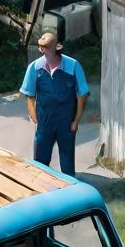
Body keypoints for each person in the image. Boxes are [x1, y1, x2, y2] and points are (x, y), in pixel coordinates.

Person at [20, 32, 90, 176]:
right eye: (41, 46)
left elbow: (82, 95)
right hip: (45, 122)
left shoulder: (73, 65)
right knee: (40, 164)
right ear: (40, 49)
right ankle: (41, 191)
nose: (43, 48)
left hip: (66, 123)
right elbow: (30, 95)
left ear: (57, 47)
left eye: (46, 45)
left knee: (67, 165)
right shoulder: (34, 67)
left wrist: (76, 121)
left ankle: (69, 192)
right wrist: (35, 117)